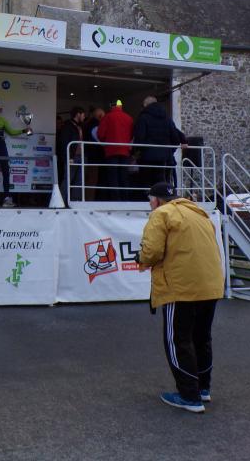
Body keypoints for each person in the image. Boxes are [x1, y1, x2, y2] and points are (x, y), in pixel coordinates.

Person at [137, 182, 224, 413]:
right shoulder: (199, 213)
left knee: (178, 340)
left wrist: (142, 261)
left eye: (150, 200)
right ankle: (203, 389)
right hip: (212, 284)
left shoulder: (161, 214)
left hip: (181, 286)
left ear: (155, 200)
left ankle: (189, 395)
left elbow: (152, 250)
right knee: (201, 337)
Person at [0, 98, 28, 208]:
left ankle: (7, 199)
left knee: (6, 172)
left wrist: (23, 131)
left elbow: (11, 132)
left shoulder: (2, 120)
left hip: (2, 147)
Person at [133, 96, 182, 195]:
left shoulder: (143, 117)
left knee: (146, 183)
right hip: (163, 158)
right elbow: (176, 138)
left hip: (147, 157)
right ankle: (161, 203)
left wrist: (136, 152)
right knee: (161, 182)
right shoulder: (167, 118)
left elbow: (139, 139)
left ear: (146, 105)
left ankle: (147, 202)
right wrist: (168, 151)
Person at [97, 100, 134, 201]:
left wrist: (105, 142)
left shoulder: (107, 117)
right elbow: (131, 135)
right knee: (124, 175)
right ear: (121, 106)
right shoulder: (129, 118)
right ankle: (125, 198)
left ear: (111, 106)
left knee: (113, 176)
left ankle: (115, 198)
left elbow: (100, 134)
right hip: (125, 151)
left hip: (111, 151)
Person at [58, 107, 86, 204]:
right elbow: (64, 142)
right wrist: (68, 157)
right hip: (72, 157)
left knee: (79, 181)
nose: (84, 117)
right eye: (83, 114)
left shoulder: (80, 126)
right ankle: (60, 202)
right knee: (68, 180)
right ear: (78, 114)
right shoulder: (68, 126)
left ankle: (75, 202)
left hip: (80, 157)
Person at [84, 107, 106, 201]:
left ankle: (89, 199)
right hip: (95, 156)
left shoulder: (87, 124)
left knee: (90, 179)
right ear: (100, 116)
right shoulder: (95, 125)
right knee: (93, 179)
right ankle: (90, 200)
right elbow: (100, 140)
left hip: (90, 155)